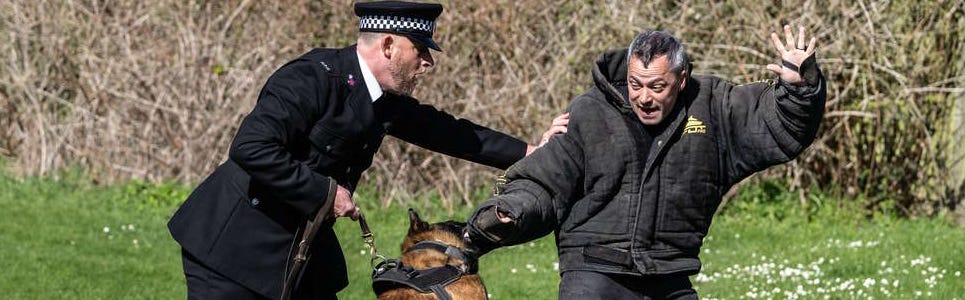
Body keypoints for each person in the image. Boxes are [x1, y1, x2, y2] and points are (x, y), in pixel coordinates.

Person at [167, 1, 567, 299]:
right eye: (421, 49)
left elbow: (451, 133)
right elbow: (251, 147)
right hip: (231, 248)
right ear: (390, 45)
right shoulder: (310, 79)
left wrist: (534, 150)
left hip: (300, 250)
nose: (428, 62)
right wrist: (327, 193)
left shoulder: (385, 101)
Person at [464, 26, 826, 299]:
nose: (644, 98)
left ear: (682, 81)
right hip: (593, 272)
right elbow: (545, 179)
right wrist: (508, 210)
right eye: (636, 85)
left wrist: (800, 89)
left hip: (669, 273)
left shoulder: (715, 107)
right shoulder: (590, 112)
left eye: (657, 87)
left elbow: (777, 126)